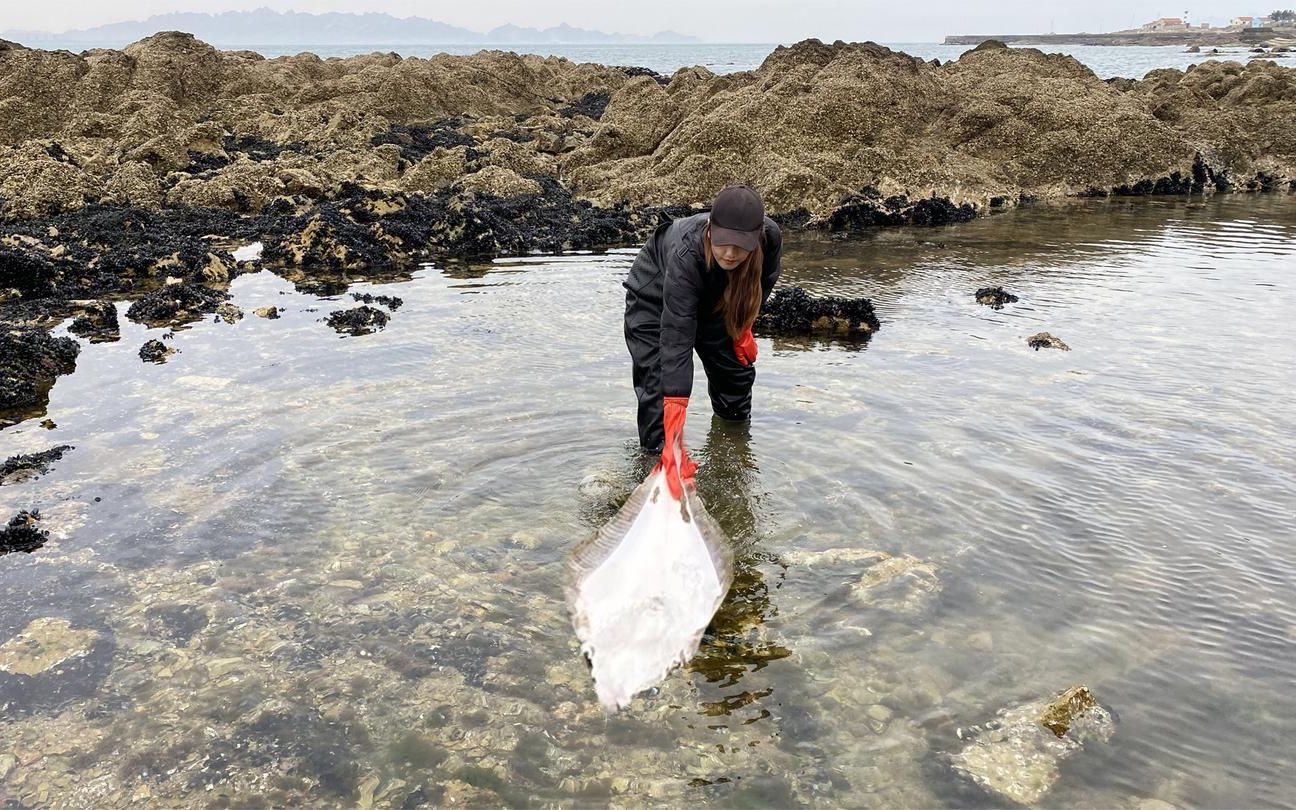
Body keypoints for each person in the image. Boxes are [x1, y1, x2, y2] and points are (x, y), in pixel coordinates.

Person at [622, 184, 782, 499]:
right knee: (658, 391)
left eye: (741, 246)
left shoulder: (770, 237)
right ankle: (658, 468)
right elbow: (677, 342)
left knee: (736, 378)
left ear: (756, 236)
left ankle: (734, 454)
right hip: (655, 300)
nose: (731, 253)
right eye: (723, 243)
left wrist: (743, 329)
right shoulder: (686, 250)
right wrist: (674, 433)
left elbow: (763, 284)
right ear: (710, 228)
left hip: (716, 300)